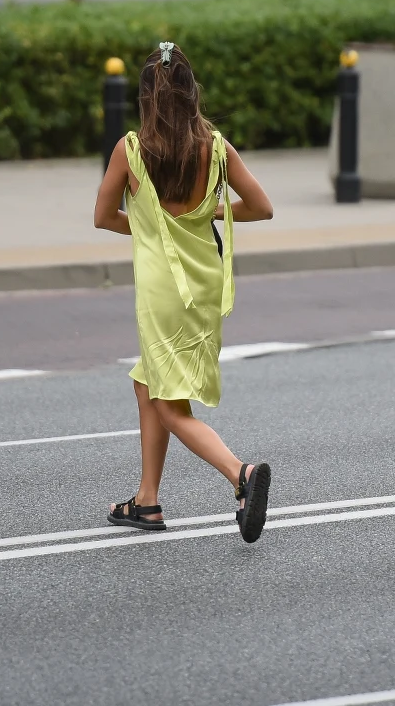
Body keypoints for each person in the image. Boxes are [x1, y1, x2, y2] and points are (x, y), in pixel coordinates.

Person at [93, 41, 276, 544]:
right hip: (204, 283)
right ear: (192, 94)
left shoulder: (130, 150)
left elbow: (104, 217)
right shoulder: (215, 147)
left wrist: (152, 226)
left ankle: (240, 475)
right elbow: (261, 207)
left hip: (161, 290)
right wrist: (212, 212)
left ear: (146, 98)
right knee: (147, 384)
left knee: (172, 406)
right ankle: (147, 501)